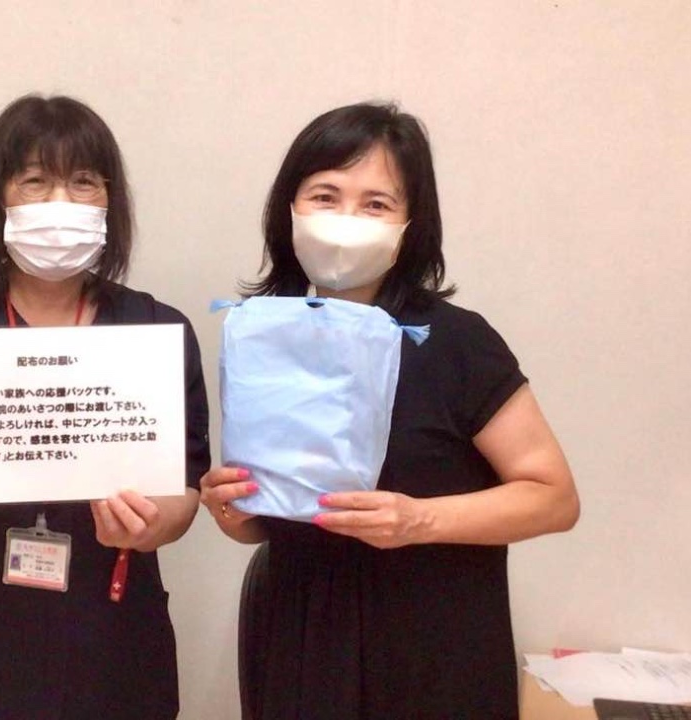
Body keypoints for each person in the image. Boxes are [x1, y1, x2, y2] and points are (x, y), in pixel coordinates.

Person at [200, 102, 580, 719]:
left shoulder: (455, 341)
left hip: (431, 638)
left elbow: (555, 498)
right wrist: (233, 508)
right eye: (325, 196)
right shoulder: (264, 333)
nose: (346, 220)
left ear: (410, 224)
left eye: (376, 204)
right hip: (298, 629)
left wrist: (417, 520)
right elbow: (268, 521)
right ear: (289, 209)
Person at [0, 94, 211, 719]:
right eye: (34, 181)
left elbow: (184, 490)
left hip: (110, 641)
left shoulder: (157, 330)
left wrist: (150, 524)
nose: (61, 204)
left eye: (84, 182)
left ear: (110, 202)